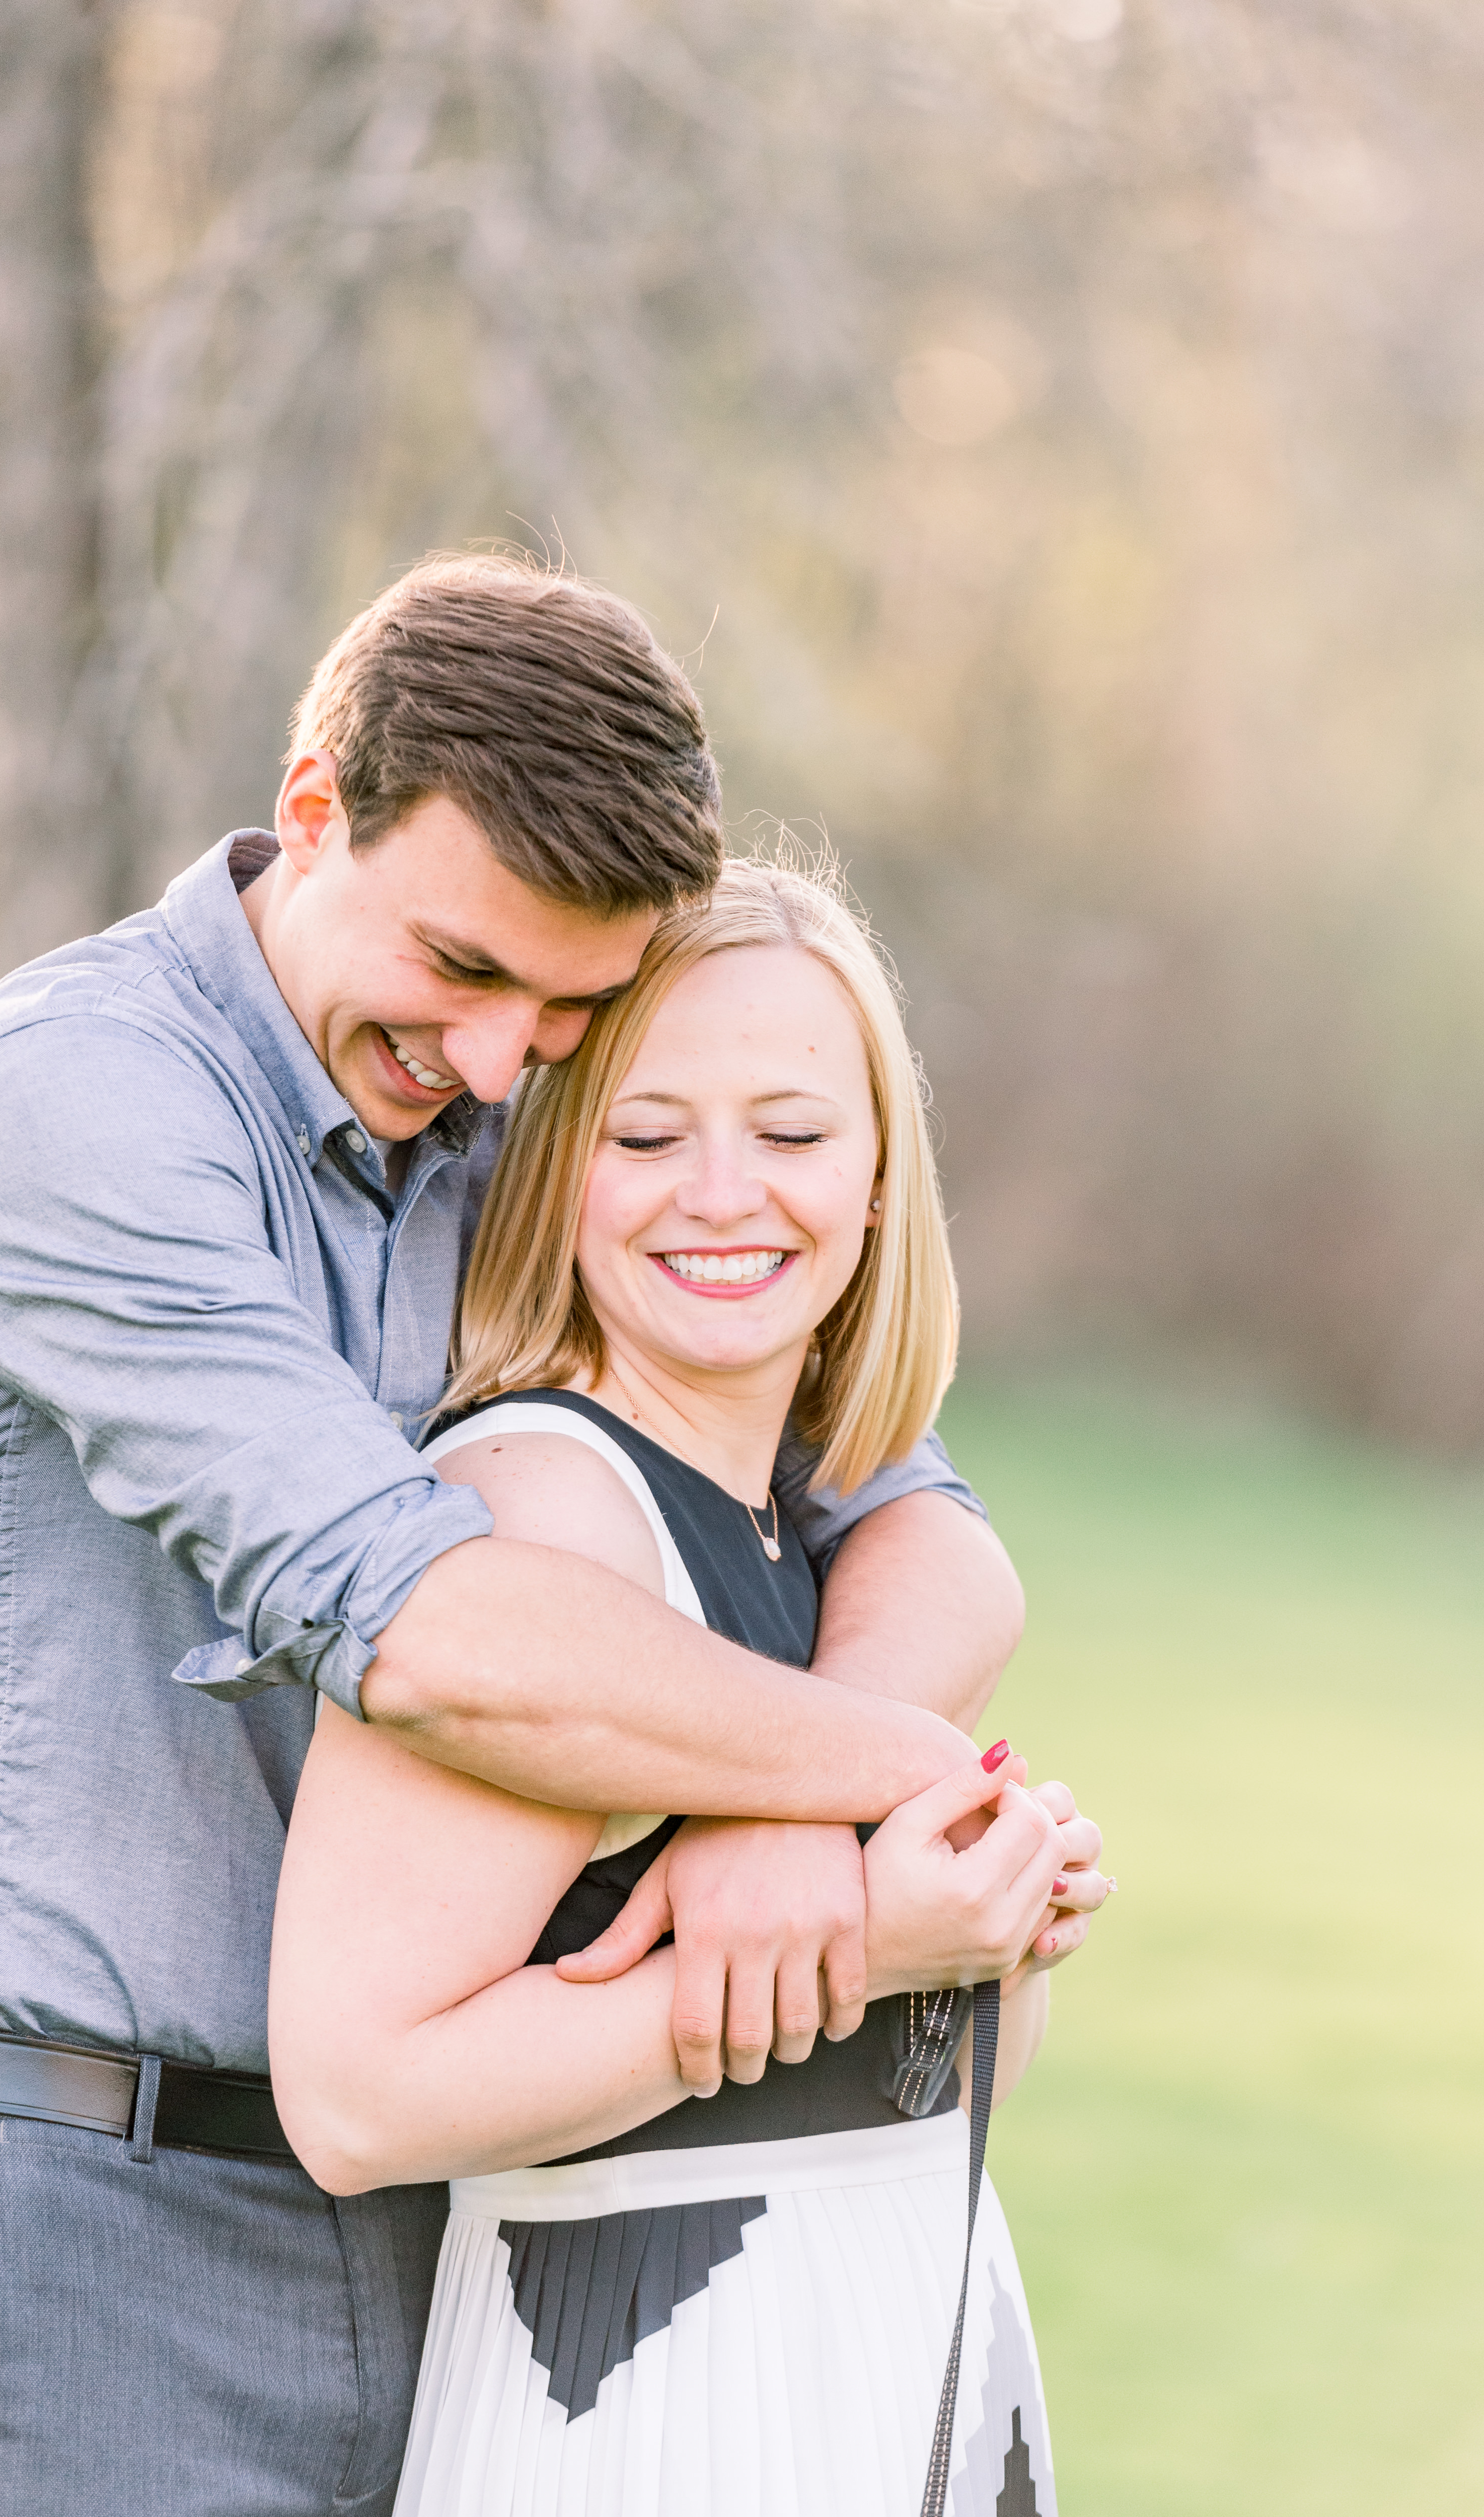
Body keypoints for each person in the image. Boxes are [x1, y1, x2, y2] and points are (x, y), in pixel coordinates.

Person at [0, 557, 1092, 2513]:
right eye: (465, 971)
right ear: (315, 807)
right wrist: (885, 1785)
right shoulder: (80, 1107)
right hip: (84, 2210)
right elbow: (435, 1631)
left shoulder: (517, 1091)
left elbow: (916, 1511)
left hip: (474, 2216)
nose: (493, 1064)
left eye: (562, 1003)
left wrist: (768, 1816)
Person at [270, 857, 1109, 2515]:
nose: (723, 1193)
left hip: (883, 2354)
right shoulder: (547, 1501)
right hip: (650, 2400)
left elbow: (867, 2099)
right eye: (646, 1138)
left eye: (792, 1135)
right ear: (557, 1178)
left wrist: (997, 1918)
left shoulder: (797, 1508)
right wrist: (874, 1932)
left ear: (877, 1183)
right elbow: (359, 2094)